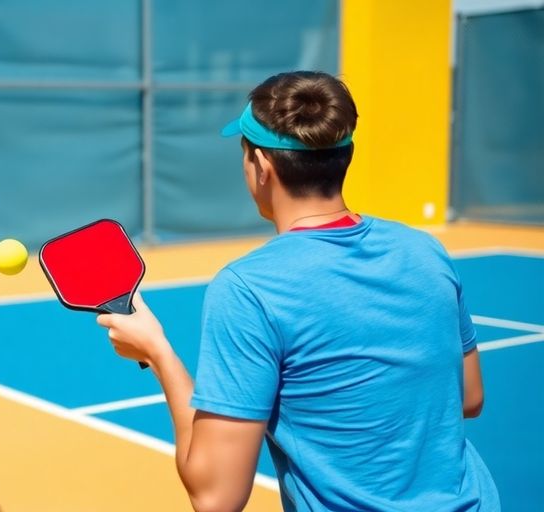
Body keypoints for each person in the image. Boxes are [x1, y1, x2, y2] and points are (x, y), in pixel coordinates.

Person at [97, 71, 499, 511]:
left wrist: (157, 353)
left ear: (262, 167)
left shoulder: (250, 289)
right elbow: (469, 395)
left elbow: (215, 497)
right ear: (345, 156)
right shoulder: (426, 251)